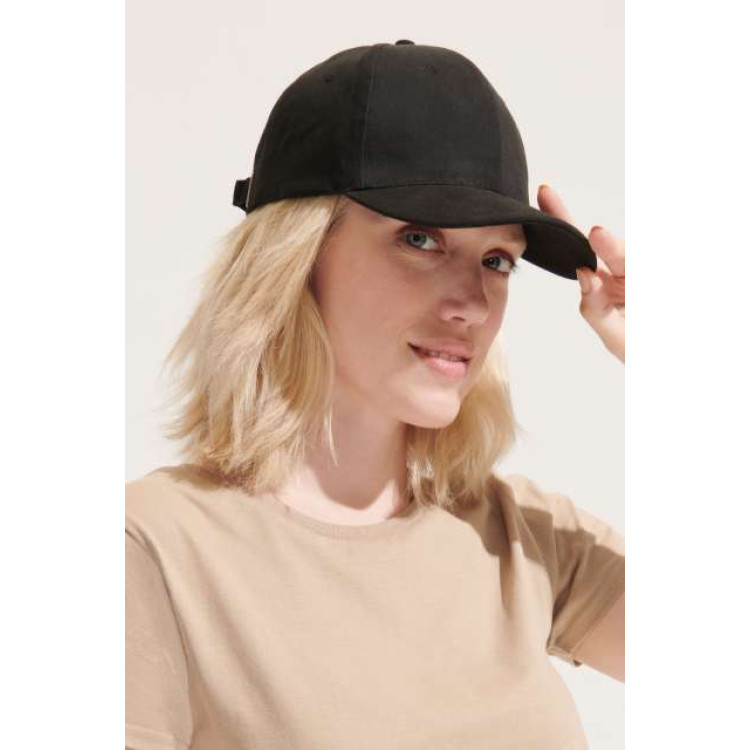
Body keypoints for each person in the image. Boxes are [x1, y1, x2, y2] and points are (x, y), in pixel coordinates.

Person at [126, 41, 624, 750]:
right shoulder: (153, 549)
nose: (473, 303)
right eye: (419, 239)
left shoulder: (521, 538)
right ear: (296, 258)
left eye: (496, 259)